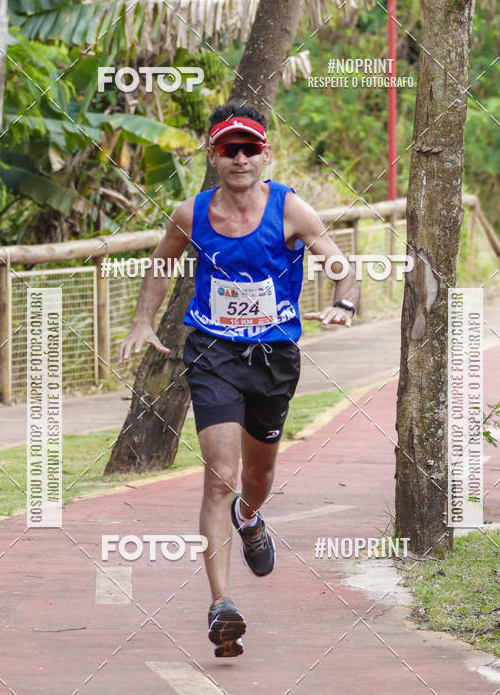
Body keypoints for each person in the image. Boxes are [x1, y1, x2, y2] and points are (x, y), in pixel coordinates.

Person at [119, 100, 359, 658]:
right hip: (214, 352)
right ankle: (221, 605)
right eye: (231, 148)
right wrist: (142, 321)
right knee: (219, 475)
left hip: (274, 357)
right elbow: (162, 263)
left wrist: (343, 304)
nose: (242, 157)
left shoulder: (291, 210)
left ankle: (251, 520)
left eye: (251, 147)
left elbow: (338, 264)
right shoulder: (191, 213)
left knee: (258, 475)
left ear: (265, 153)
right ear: (215, 156)